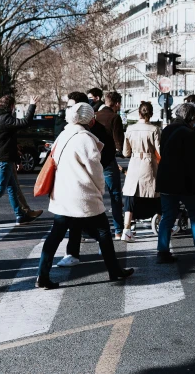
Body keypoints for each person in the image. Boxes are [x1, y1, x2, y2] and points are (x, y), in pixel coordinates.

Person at [35, 103, 133, 289]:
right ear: (91, 120)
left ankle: (42, 274)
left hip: (62, 194)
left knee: (55, 234)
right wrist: (99, 190)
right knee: (104, 231)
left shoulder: (63, 135)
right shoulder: (86, 139)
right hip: (82, 194)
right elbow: (96, 172)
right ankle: (114, 271)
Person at [56, 91, 117, 267]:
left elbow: (107, 152)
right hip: (73, 181)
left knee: (81, 221)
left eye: (71, 105)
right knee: (79, 220)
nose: (68, 109)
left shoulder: (94, 131)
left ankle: (76, 253)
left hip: (87, 181)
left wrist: (96, 175)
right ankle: (75, 253)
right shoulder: (70, 128)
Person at [155, 102, 195, 263]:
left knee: (167, 216)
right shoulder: (188, 133)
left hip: (166, 179)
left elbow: (162, 152)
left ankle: (162, 251)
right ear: (190, 117)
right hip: (185, 182)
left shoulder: (167, 129)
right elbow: (193, 163)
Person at [0, 95, 41, 228]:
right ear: (11, 107)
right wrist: (32, 105)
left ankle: (20, 215)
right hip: (3, 159)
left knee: (12, 188)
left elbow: (8, 141)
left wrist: (16, 159)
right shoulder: (5, 118)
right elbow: (25, 123)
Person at [120, 101, 161, 243]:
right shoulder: (154, 129)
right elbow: (159, 150)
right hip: (149, 163)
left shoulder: (130, 129)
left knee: (131, 196)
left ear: (139, 113)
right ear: (150, 114)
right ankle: (163, 224)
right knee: (155, 194)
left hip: (134, 163)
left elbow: (125, 152)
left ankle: (126, 229)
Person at [95, 91, 126, 236]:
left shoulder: (94, 116)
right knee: (115, 195)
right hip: (108, 161)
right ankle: (118, 230)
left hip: (94, 161)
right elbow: (118, 141)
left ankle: (93, 229)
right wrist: (122, 151)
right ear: (117, 103)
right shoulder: (115, 117)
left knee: (95, 196)